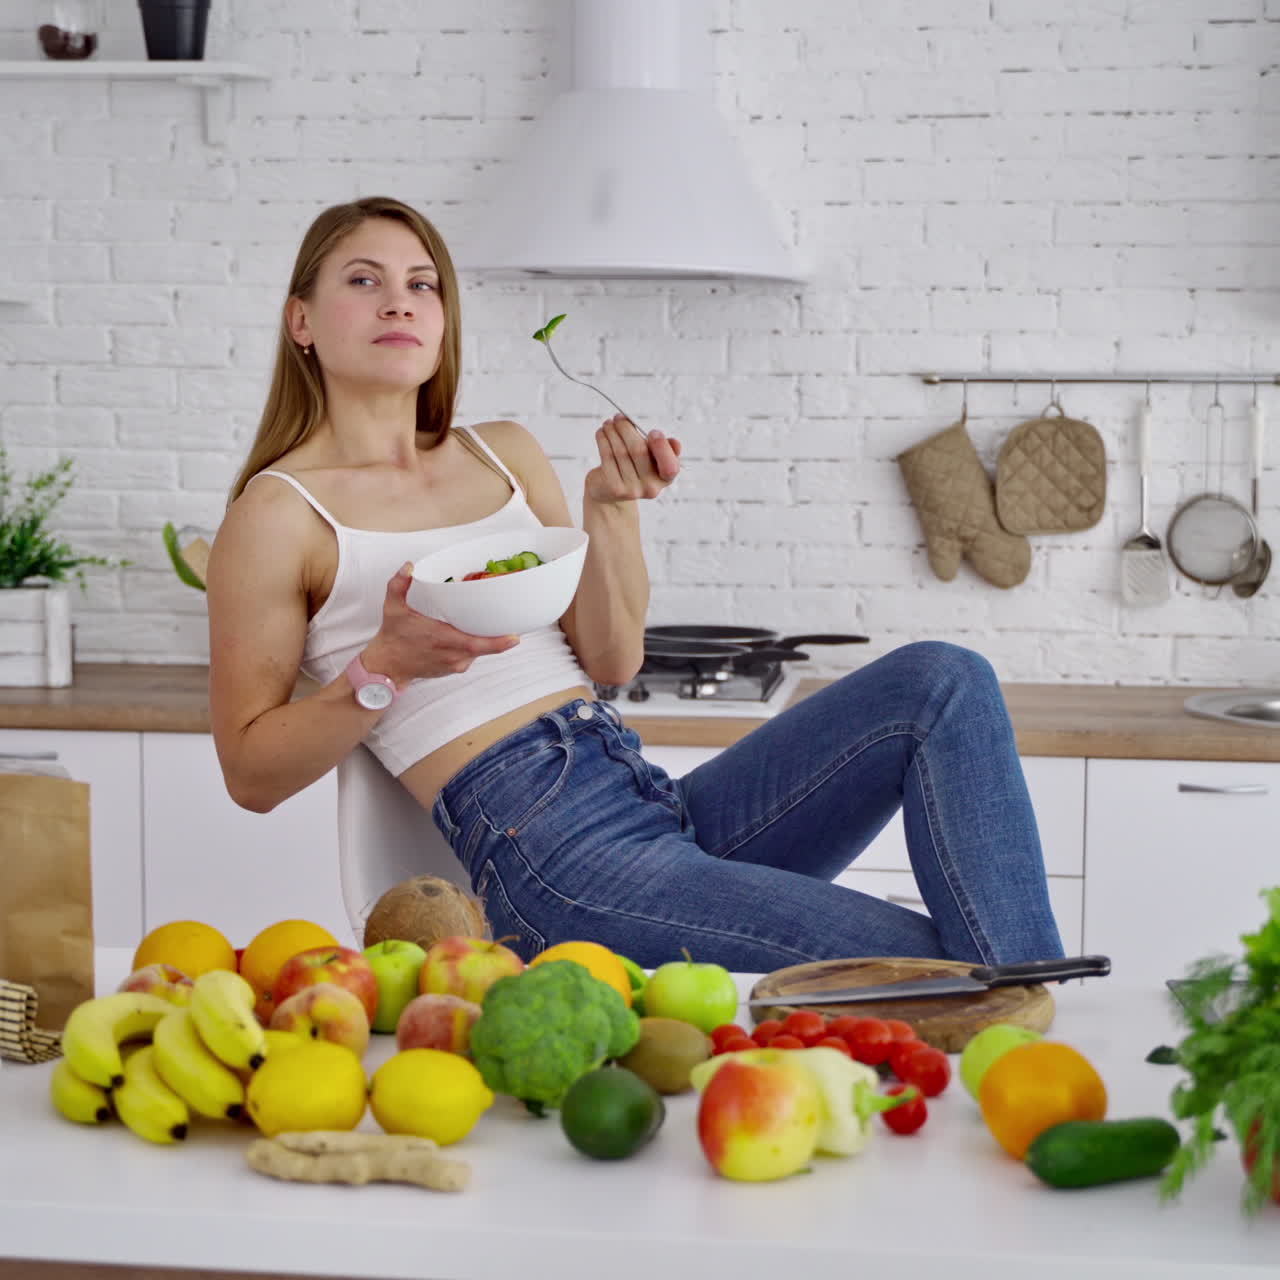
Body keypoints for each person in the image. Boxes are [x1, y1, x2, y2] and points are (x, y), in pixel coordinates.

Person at [207, 195, 1065, 973]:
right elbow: (250, 773)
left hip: (646, 799)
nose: (400, 301)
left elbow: (611, 659)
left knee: (943, 682)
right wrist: (381, 667)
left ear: (442, 320)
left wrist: (609, 509)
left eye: (422, 284)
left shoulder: (503, 454)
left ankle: (1028, 1014)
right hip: (553, 861)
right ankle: (1038, 1035)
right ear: (303, 321)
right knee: (944, 963)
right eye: (365, 280)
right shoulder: (280, 514)